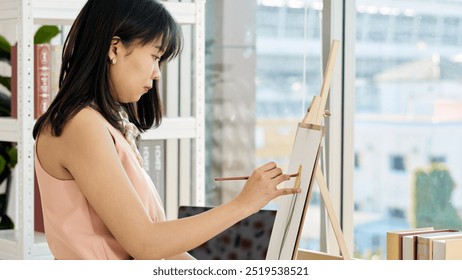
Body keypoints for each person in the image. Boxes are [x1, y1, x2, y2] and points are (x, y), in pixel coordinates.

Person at [32, 0, 300, 260]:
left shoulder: (102, 124)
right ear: (114, 48)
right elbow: (146, 243)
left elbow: (161, 248)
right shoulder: (81, 126)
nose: (157, 73)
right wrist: (243, 205)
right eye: (155, 56)